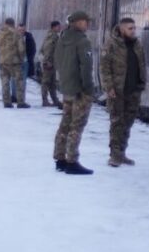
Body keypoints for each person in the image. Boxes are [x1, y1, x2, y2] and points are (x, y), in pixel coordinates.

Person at [100, 17, 147, 167]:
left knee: (128, 123)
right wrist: (109, 87)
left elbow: (142, 64)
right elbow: (104, 68)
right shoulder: (112, 44)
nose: (133, 31)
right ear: (121, 29)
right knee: (117, 123)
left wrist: (142, 83)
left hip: (133, 90)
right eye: (130, 28)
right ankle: (114, 155)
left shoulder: (137, 45)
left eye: (134, 28)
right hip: (117, 91)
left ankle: (122, 152)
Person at [53, 11, 95, 175]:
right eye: (85, 21)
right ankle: (72, 160)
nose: (87, 24)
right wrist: (88, 88)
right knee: (76, 126)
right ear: (77, 22)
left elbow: (58, 61)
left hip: (67, 88)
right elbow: (86, 67)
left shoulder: (62, 39)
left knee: (65, 124)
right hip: (80, 90)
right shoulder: (82, 41)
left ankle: (60, 158)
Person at [0, 17, 29, 108]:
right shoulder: (17, 34)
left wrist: (1, 56)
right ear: (13, 24)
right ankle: (20, 102)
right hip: (15, 62)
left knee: (5, 82)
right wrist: (22, 59)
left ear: (5, 23)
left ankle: (6, 102)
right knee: (19, 82)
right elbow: (21, 49)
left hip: (3, 61)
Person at [39, 21, 63, 108]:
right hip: (49, 63)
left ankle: (55, 100)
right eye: (58, 27)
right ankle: (45, 100)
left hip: (52, 63)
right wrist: (47, 61)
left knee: (52, 83)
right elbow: (47, 49)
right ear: (54, 27)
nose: (60, 28)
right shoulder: (53, 37)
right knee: (46, 82)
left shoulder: (52, 36)